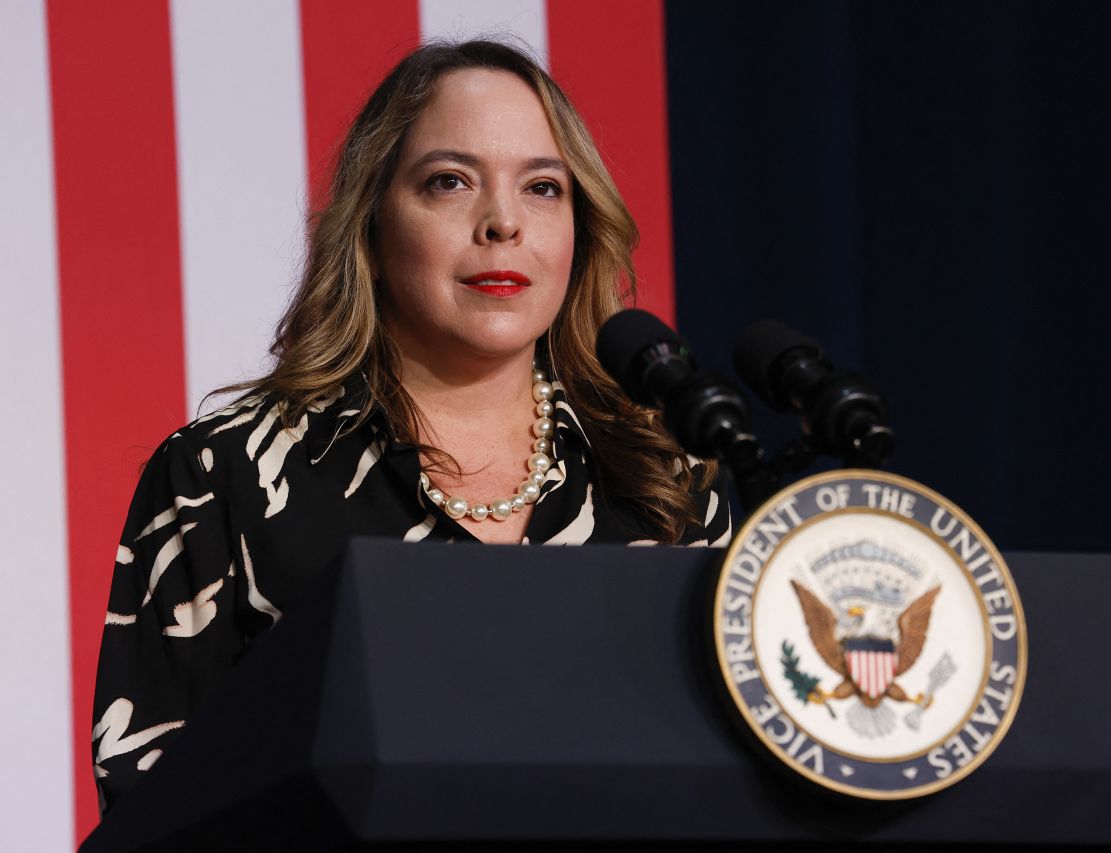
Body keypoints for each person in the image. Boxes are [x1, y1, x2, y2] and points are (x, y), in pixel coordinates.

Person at [91, 40, 732, 812]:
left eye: (542, 187)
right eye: (450, 182)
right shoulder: (222, 478)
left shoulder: (668, 474)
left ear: (579, 228)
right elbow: (153, 806)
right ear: (372, 222)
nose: (502, 223)